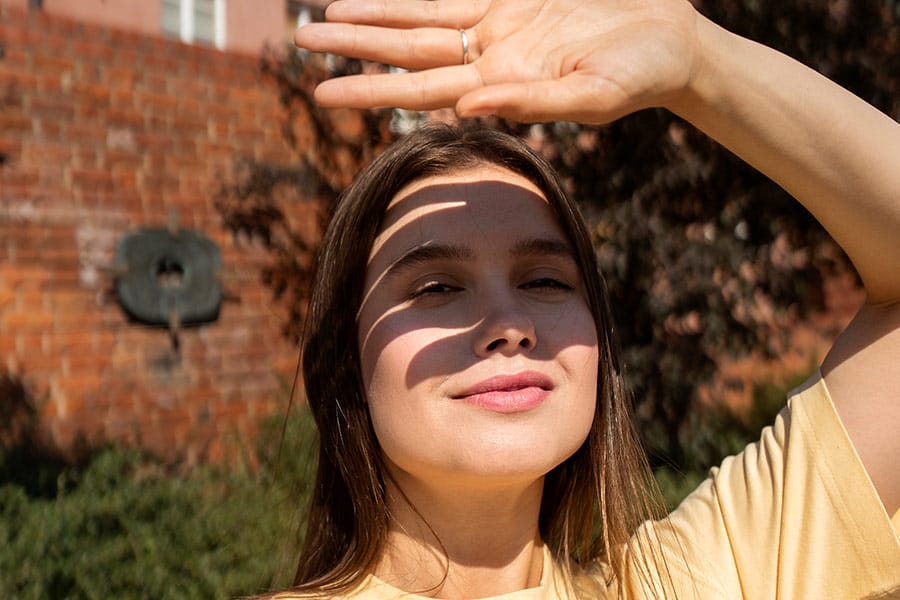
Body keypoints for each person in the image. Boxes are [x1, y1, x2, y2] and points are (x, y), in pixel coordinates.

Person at [270, 1, 900, 597]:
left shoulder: (693, 580)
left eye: (545, 281)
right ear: (347, 361)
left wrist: (697, 58)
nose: (510, 325)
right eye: (436, 287)